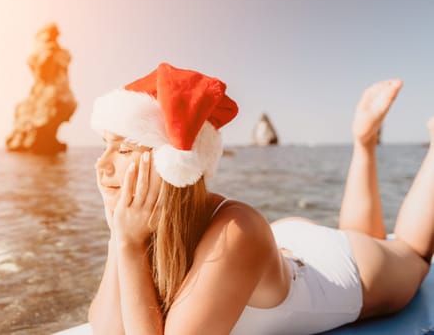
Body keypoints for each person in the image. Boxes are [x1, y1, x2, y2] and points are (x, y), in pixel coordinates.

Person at [87, 63, 434, 335]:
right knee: (367, 236)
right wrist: (120, 236)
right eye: (105, 145)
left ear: (172, 163)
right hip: (283, 249)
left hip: (344, 268)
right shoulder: (151, 224)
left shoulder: (237, 230)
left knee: (413, 253)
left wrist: (130, 245)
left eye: (125, 148)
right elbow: (107, 330)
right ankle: (364, 141)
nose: (102, 165)